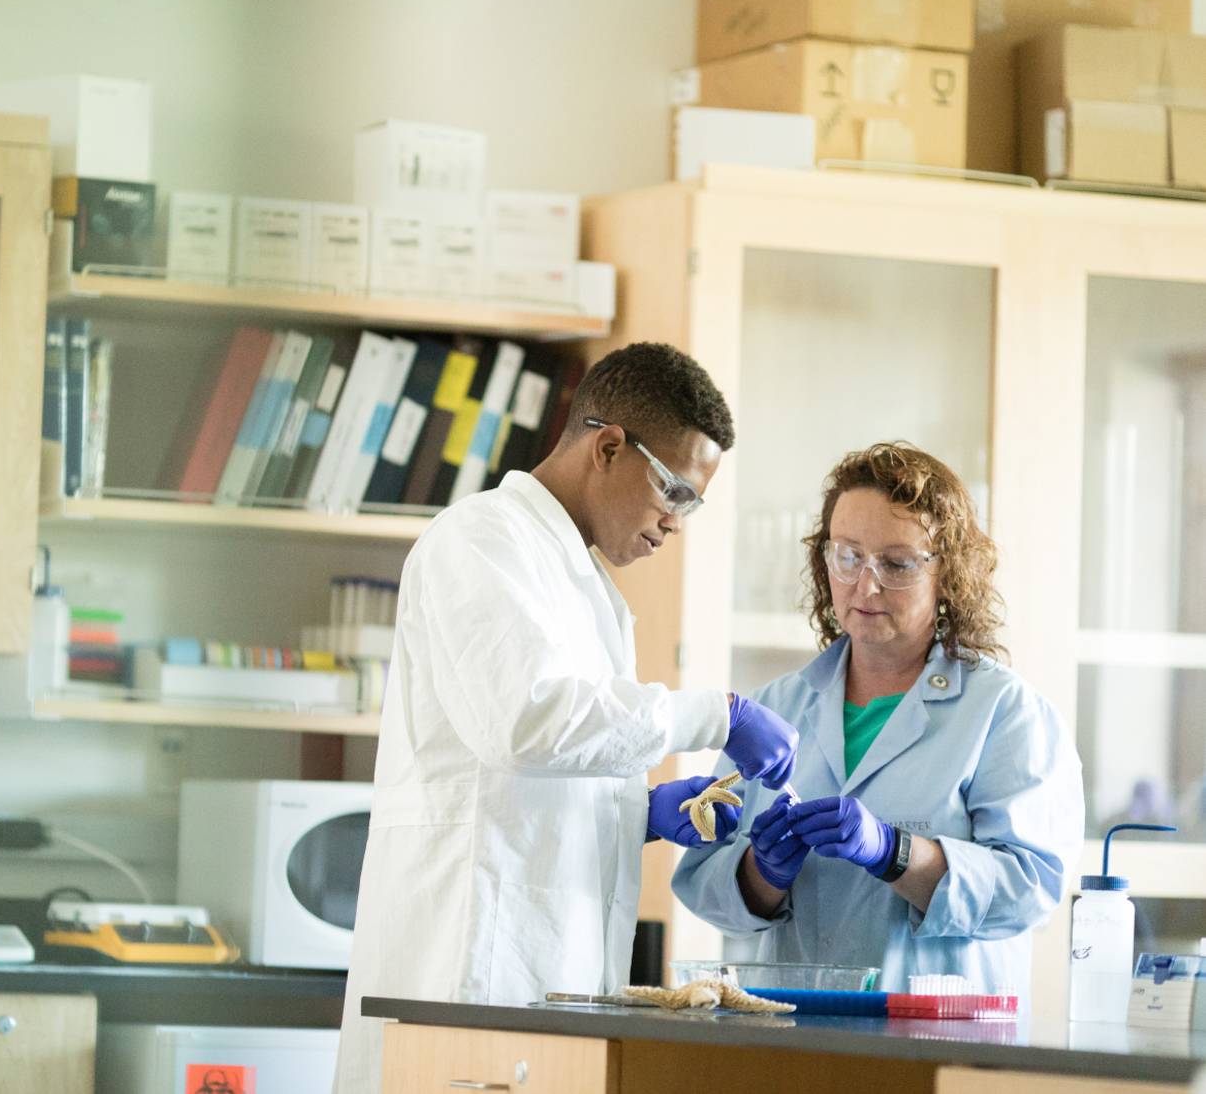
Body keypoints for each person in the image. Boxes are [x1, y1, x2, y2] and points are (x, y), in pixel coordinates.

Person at [334, 342, 799, 1094]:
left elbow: (540, 767)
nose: (677, 523)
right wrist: (718, 714)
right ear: (608, 446)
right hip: (467, 968)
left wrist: (631, 812)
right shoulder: (481, 539)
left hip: (542, 978)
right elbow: (524, 719)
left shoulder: (577, 578)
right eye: (675, 492)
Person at [673, 442, 1084, 994]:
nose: (866, 585)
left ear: (948, 573)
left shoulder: (1005, 713)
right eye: (847, 555)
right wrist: (762, 873)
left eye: (896, 563)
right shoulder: (776, 709)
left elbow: (1030, 889)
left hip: (940, 1043)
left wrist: (896, 853)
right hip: (800, 1036)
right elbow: (703, 881)